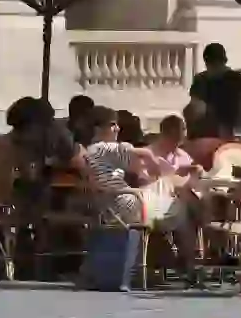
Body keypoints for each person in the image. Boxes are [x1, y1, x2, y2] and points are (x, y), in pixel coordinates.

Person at [82, 106, 198, 276]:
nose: (118, 128)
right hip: (128, 205)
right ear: (98, 128)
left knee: (174, 190)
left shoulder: (94, 152)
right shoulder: (102, 148)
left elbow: (135, 166)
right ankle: (187, 262)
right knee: (183, 205)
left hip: (116, 205)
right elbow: (141, 153)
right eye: (112, 125)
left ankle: (180, 258)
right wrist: (152, 161)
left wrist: (148, 169)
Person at [144, 115, 201, 184]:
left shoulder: (183, 156)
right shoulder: (146, 156)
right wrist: (174, 175)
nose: (186, 133)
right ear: (172, 131)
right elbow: (142, 184)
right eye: (183, 128)